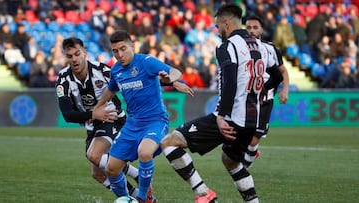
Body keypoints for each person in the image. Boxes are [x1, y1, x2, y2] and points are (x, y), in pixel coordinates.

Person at [161, 4, 280, 203]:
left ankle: (203, 193)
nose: (217, 31)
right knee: (231, 161)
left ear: (226, 23)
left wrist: (222, 116)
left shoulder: (228, 45)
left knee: (169, 142)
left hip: (232, 118)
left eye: (217, 26)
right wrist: (258, 93)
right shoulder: (262, 46)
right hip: (252, 120)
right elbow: (276, 77)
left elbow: (231, 82)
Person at [94, 30, 182, 203]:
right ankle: (126, 199)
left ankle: (143, 197)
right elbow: (111, 90)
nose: (119, 54)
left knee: (145, 152)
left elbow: (174, 71)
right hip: (132, 124)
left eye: (123, 49)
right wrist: (97, 108)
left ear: (132, 46)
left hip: (156, 121)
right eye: (115, 51)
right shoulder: (116, 70)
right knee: (111, 169)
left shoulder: (146, 61)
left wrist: (170, 79)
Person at [55, 37, 145, 200]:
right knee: (98, 174)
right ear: (65, 57)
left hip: (113, 118)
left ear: (85, 53)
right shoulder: (63, 79)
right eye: (70, 56)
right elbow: (67, 115)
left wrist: (164, 81)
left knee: (94, 156)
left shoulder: (101, 70)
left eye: (77, 54)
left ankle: (137, 175)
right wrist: (92, 114)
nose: (74, 59)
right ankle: (138, 196)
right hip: (93, 125)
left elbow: (129, 82)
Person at [243, 15, 289, 168]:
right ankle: (250, 154)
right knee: (242, 135)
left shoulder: (270, 49)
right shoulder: (240, 48)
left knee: (255, 137)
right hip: (246, 98)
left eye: (255, 27)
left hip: (265, 99)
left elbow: (282, 72)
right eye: (248, 27)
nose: (251, 31)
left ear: (261, 29)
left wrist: (285, 90)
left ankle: (243, 170)